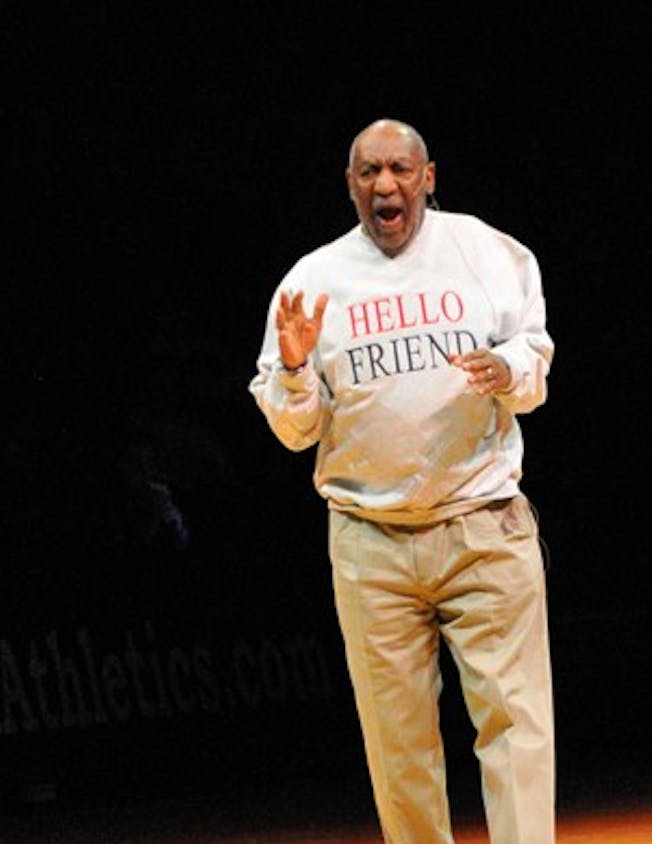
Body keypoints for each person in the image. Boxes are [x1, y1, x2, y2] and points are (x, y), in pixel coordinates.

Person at [249, 118, 556, 843]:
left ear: (428, 178)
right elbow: (294, 430)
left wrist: (506, 368)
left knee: (517, 727)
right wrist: (294, 368)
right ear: (350, 185)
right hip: (371, 543)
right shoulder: (311, 282)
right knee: (399, 747)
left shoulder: (488, 251)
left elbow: (535, 360)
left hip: (484, 523)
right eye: (367, 172)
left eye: (398, 170)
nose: (384, 185)